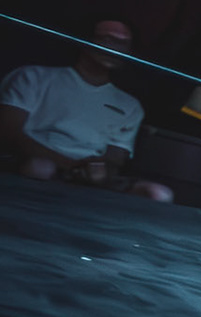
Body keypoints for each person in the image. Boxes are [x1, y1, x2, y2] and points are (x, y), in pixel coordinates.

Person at [0, 18, 172, 202]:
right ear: (84, 41)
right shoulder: (33, 77)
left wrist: (100, 171)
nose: (115, 48)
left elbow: (116, 157)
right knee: (40, 168)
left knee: (158, 193)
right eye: (107, 39)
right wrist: (67, 164)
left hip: (89, 176)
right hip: (33, 161)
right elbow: (8, 130)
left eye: (123, 44)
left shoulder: (130, 105)